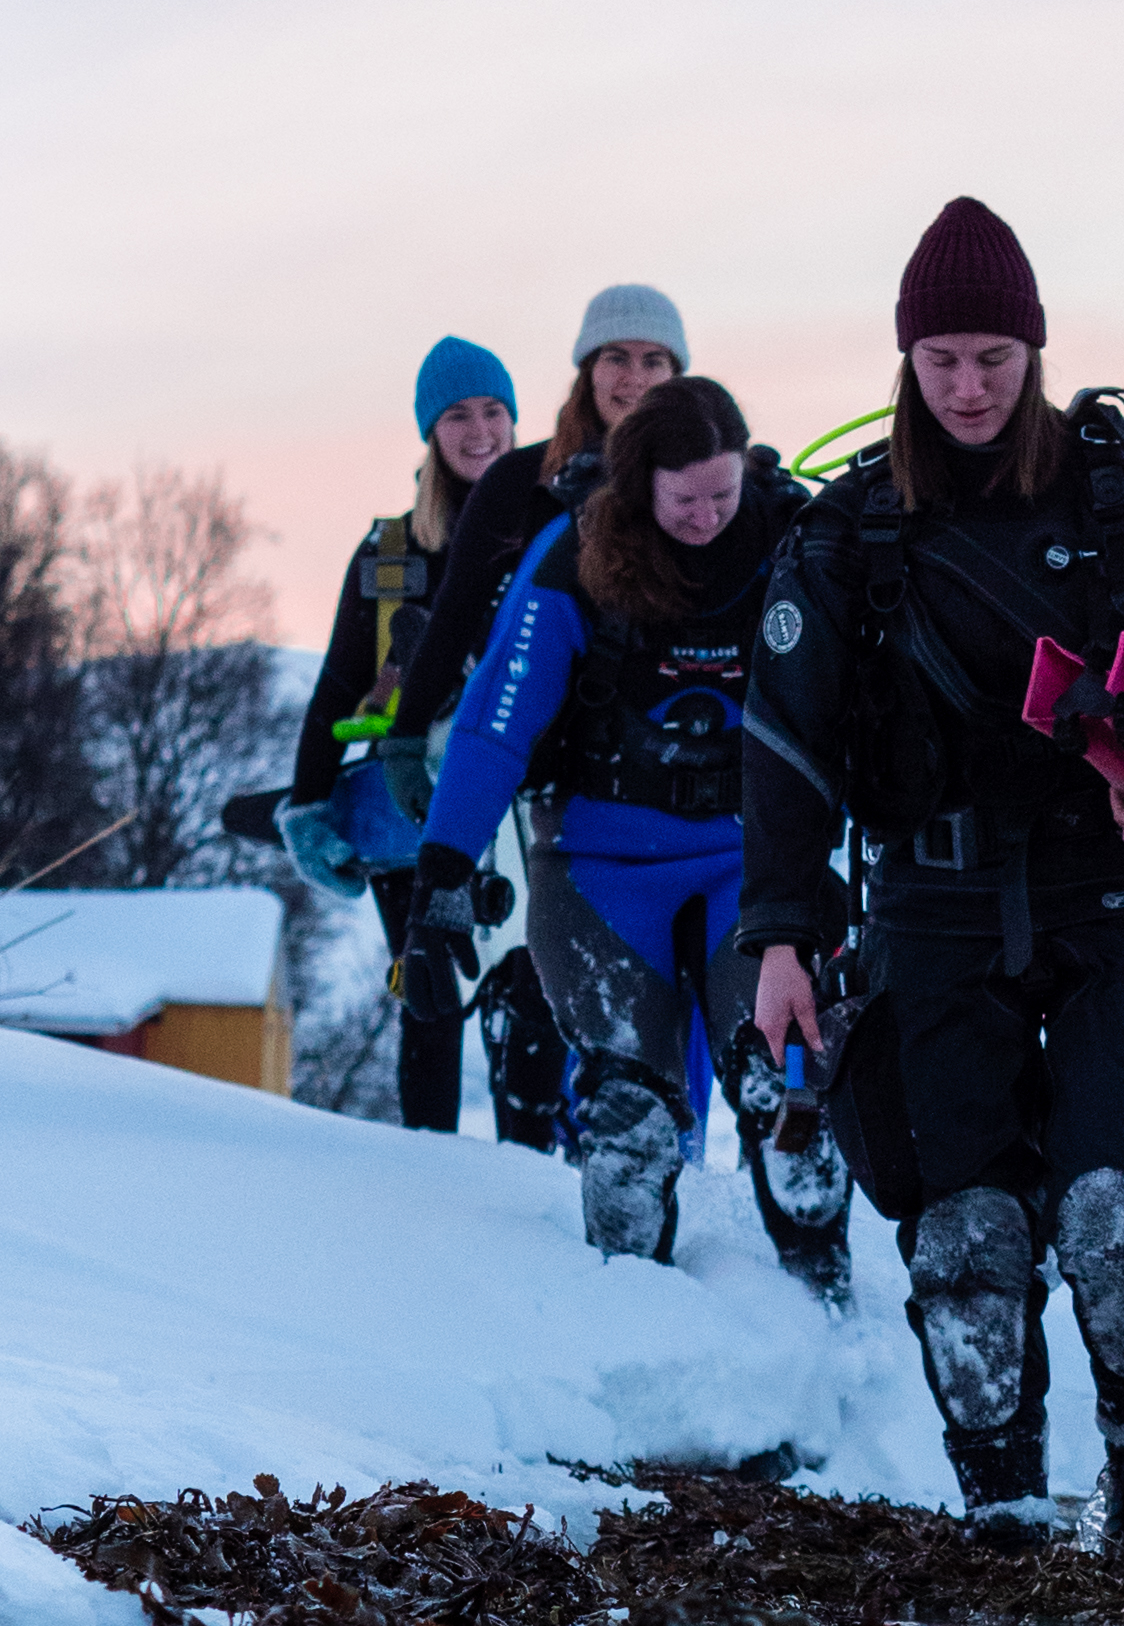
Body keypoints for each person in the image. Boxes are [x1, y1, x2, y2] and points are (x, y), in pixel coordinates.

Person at [739, 196, 1124, 1548]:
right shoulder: (849, 530)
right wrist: (781, 938)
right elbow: (785, 748)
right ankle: (998, 1514)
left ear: (1033, 351)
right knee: (967, 1236)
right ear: (906, 361)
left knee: (1118, 1217)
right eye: (943, 360)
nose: (970, 385)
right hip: (925, 907)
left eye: (993, 355)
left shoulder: (1122, 489)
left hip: (1112, 893)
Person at [396, 374, 852, 1297]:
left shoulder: (785, 545)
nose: (707, 517)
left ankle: (828, 1311)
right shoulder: (576, 554)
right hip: (599, 864)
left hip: (749, 864)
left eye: (723, 494)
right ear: (640, 482)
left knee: (787, 1090)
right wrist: (442, 876)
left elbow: (859, 707)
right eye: (684, 499)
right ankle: (632, 1319)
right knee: (629, 1123)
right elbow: (497, 721)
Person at [278, 337, 519, 1134]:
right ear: (430, 430)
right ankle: (425, 1164)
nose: (479, 429)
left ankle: (539, 1176)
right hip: (404, 809)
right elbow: (337, 687)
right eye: (457, 414)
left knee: (530, 996)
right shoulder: (389, 554)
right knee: (427, 991)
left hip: (525, 806)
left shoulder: (552, 533)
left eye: (493, 411)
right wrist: (310, 808)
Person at [385, 284, 692, 747]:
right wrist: (406, 737)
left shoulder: (710, 482)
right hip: (543, 747)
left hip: (682, 734)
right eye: (616, 358)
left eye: (654, 361)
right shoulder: (518, 480)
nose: (635, 377)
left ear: (675, 375)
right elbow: (455, 615)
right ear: (589, 372)